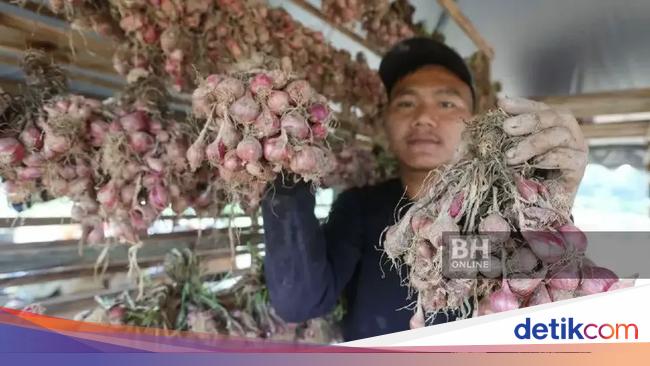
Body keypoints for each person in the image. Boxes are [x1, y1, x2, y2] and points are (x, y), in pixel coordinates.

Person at [261, 37, 588, 341]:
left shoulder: (503, 211)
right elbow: (300, 303)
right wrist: (286, 170)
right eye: (405, 103)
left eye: (446, 103)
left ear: (475, 122)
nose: (423, 118)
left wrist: (555, 204)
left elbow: (547, 293)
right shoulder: (359, 208)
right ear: (385, 121)